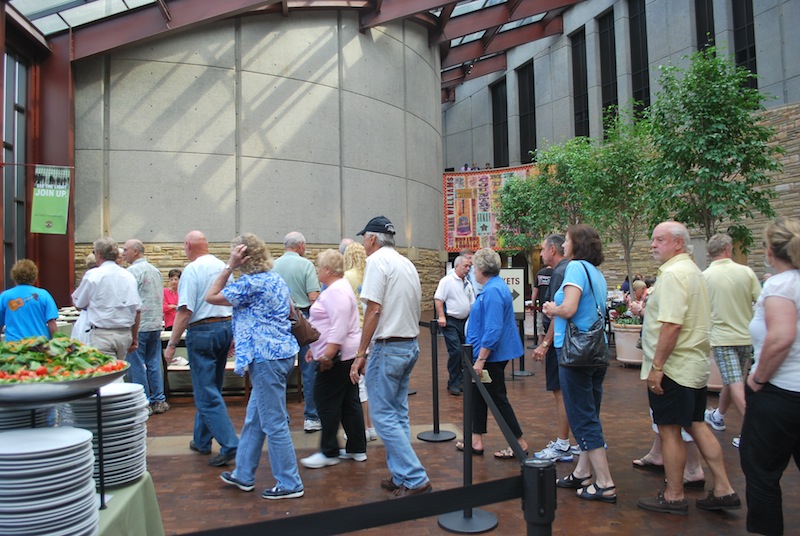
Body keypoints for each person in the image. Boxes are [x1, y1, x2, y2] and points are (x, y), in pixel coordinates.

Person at [637, 221, 740, 515]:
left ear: (678, 243)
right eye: (653, 239)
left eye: (660, 240)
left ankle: (673, 495)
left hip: (675, 366)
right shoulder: (693, 271)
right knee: (696, 424)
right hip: (692, 364)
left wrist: (657, 367)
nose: (653, 245)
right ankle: (723, 488)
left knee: (669, 430)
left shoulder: (672, 274)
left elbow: (671, 325)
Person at [207, 234, 304, 500]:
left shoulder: (249, 284)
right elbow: (290, 311)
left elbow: (211, 296)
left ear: (243, 257)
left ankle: (290, 482)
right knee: (256, 418)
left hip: (265, 359)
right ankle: (244, 474)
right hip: (282, 355)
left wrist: (229, 266)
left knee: (274, 423)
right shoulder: (274, 279)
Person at [350, 215, 432, 498]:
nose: (362, 243)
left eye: (364, 238)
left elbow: (374, 309)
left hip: (389, 347)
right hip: (408, 345)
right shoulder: (405, 262)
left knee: (383, 416)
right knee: (397, 413)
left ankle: (415, 476)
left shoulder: (376, 262)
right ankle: (402, 475)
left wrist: (360, 353)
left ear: (372, 238)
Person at [542, 224, 615, 504]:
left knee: (582, 417)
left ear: (576, 244)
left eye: (568, 240)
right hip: (596, 353)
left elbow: (569, 308)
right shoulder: (596, 273)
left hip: (574, 354)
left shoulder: (575, 269)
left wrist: (552, 309)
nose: (564, 245)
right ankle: (583, 472)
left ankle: (605, 483)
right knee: (589, 412)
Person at [741, 217, 800, 535]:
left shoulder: (781, 284)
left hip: (780, 394)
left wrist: (758, 378)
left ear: (770, 250)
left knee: (761, 471)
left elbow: (781, 337)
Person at [164, 230, 239, 467]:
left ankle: (230, 443)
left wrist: (172, 344)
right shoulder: (223, 267)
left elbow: (184, 311)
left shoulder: (192, 270)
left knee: (206, 393)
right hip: (224, 328)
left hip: (203, 332)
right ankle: (201, 440)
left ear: (187, 245)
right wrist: (234, 335)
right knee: (211, 388)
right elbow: (235, 302)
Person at [457, 247, 528, 460]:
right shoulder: (492, 287)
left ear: (481, 269)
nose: (472, 271)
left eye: (474, 267)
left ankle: (519, 443)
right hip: (486, 354)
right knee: (478, 396)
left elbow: (493, 328)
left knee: (497, 398)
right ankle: (476, 439)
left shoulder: (494, 290)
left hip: (491, 357)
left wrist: (480, 359)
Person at [300, 249, 366, 469]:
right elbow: (330, 325)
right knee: (349, 401)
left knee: (324, 400)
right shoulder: (338, 288)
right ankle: (357, 448)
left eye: (319, 266)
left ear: (327, 270)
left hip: (337, 357)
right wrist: (315, 348)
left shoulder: (336, 290)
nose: (317, 270)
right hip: (342, 354)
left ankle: (329, 451)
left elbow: (338, 327)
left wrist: (326, 354)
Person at [702, 233, 761, 448]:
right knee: (733, 379)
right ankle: (718, 415)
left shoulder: (705, 276)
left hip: (722, 338)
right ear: (728, 249)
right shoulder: (746, 272)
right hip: (746, 336)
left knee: (735, 382)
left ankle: (755, 431)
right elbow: (760, 300)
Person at [531, 234, 578, 462]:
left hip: (562, 343)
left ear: (552, 249)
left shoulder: (561, 272)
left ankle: (563, 443)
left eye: (542, 249)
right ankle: (576, 441)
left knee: (562, 393)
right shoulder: (572, 270)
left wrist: (545, 344)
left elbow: (558, 312)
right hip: (570, 342)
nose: (540, 254)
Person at [272, 231, 322, 433]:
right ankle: (311, 417)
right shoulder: (306, 265)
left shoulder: (273, 266)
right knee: (309, 369)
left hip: (278, 321)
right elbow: (313, 297)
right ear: (300, 245)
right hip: (302, 320)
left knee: (279, 371)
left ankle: (281, 417)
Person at [72, 237, 141, 360]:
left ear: (98, 253)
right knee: (118, 373)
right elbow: (137, 310)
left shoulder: (94, 275)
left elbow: (78, 302)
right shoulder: (128, 276)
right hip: (124, 334)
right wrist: (134, 337)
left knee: (105, 376)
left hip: (102, 334)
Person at [123, 239, 169, 415]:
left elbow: (129, 299)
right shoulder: (155, 271)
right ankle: (159, 399)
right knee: (154, 362)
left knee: (137, 364)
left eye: (126, 250)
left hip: (139, 325)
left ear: (136, 251)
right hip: (156, 323)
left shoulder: (132, 272)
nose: (123, 253)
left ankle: (144, 401)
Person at [343, 241, 377, 442]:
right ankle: (371, 426)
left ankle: (362, 428)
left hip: (355, 332)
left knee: (358, 381)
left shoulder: (347, 277)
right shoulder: (370, 274)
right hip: (371, 331)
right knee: (369, 379)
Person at [434, 255, 474, 396]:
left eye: (469, 266)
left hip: (465, 322)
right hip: (451, 321)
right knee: (455, 350)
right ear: (457, 266)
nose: (468, 269)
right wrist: (441, 316)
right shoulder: (447, 281)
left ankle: (461, 379)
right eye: (466, 266)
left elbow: (472, 302)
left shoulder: (467, 283)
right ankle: (453, 382)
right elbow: (439, 299)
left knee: (465, 351)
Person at [0, 259, 58, 341]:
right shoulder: (44, 295)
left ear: (14, 275)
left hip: (14, 347)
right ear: (34, 276)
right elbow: (52, 324)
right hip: (39, 345)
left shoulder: (5, 296)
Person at [532, 261, 552, 345]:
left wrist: (533, 306)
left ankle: (541, 354)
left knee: (541, 333)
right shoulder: (557, 273)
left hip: (541, 308)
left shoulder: (540, 273)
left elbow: (535, 292)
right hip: (553, 309)